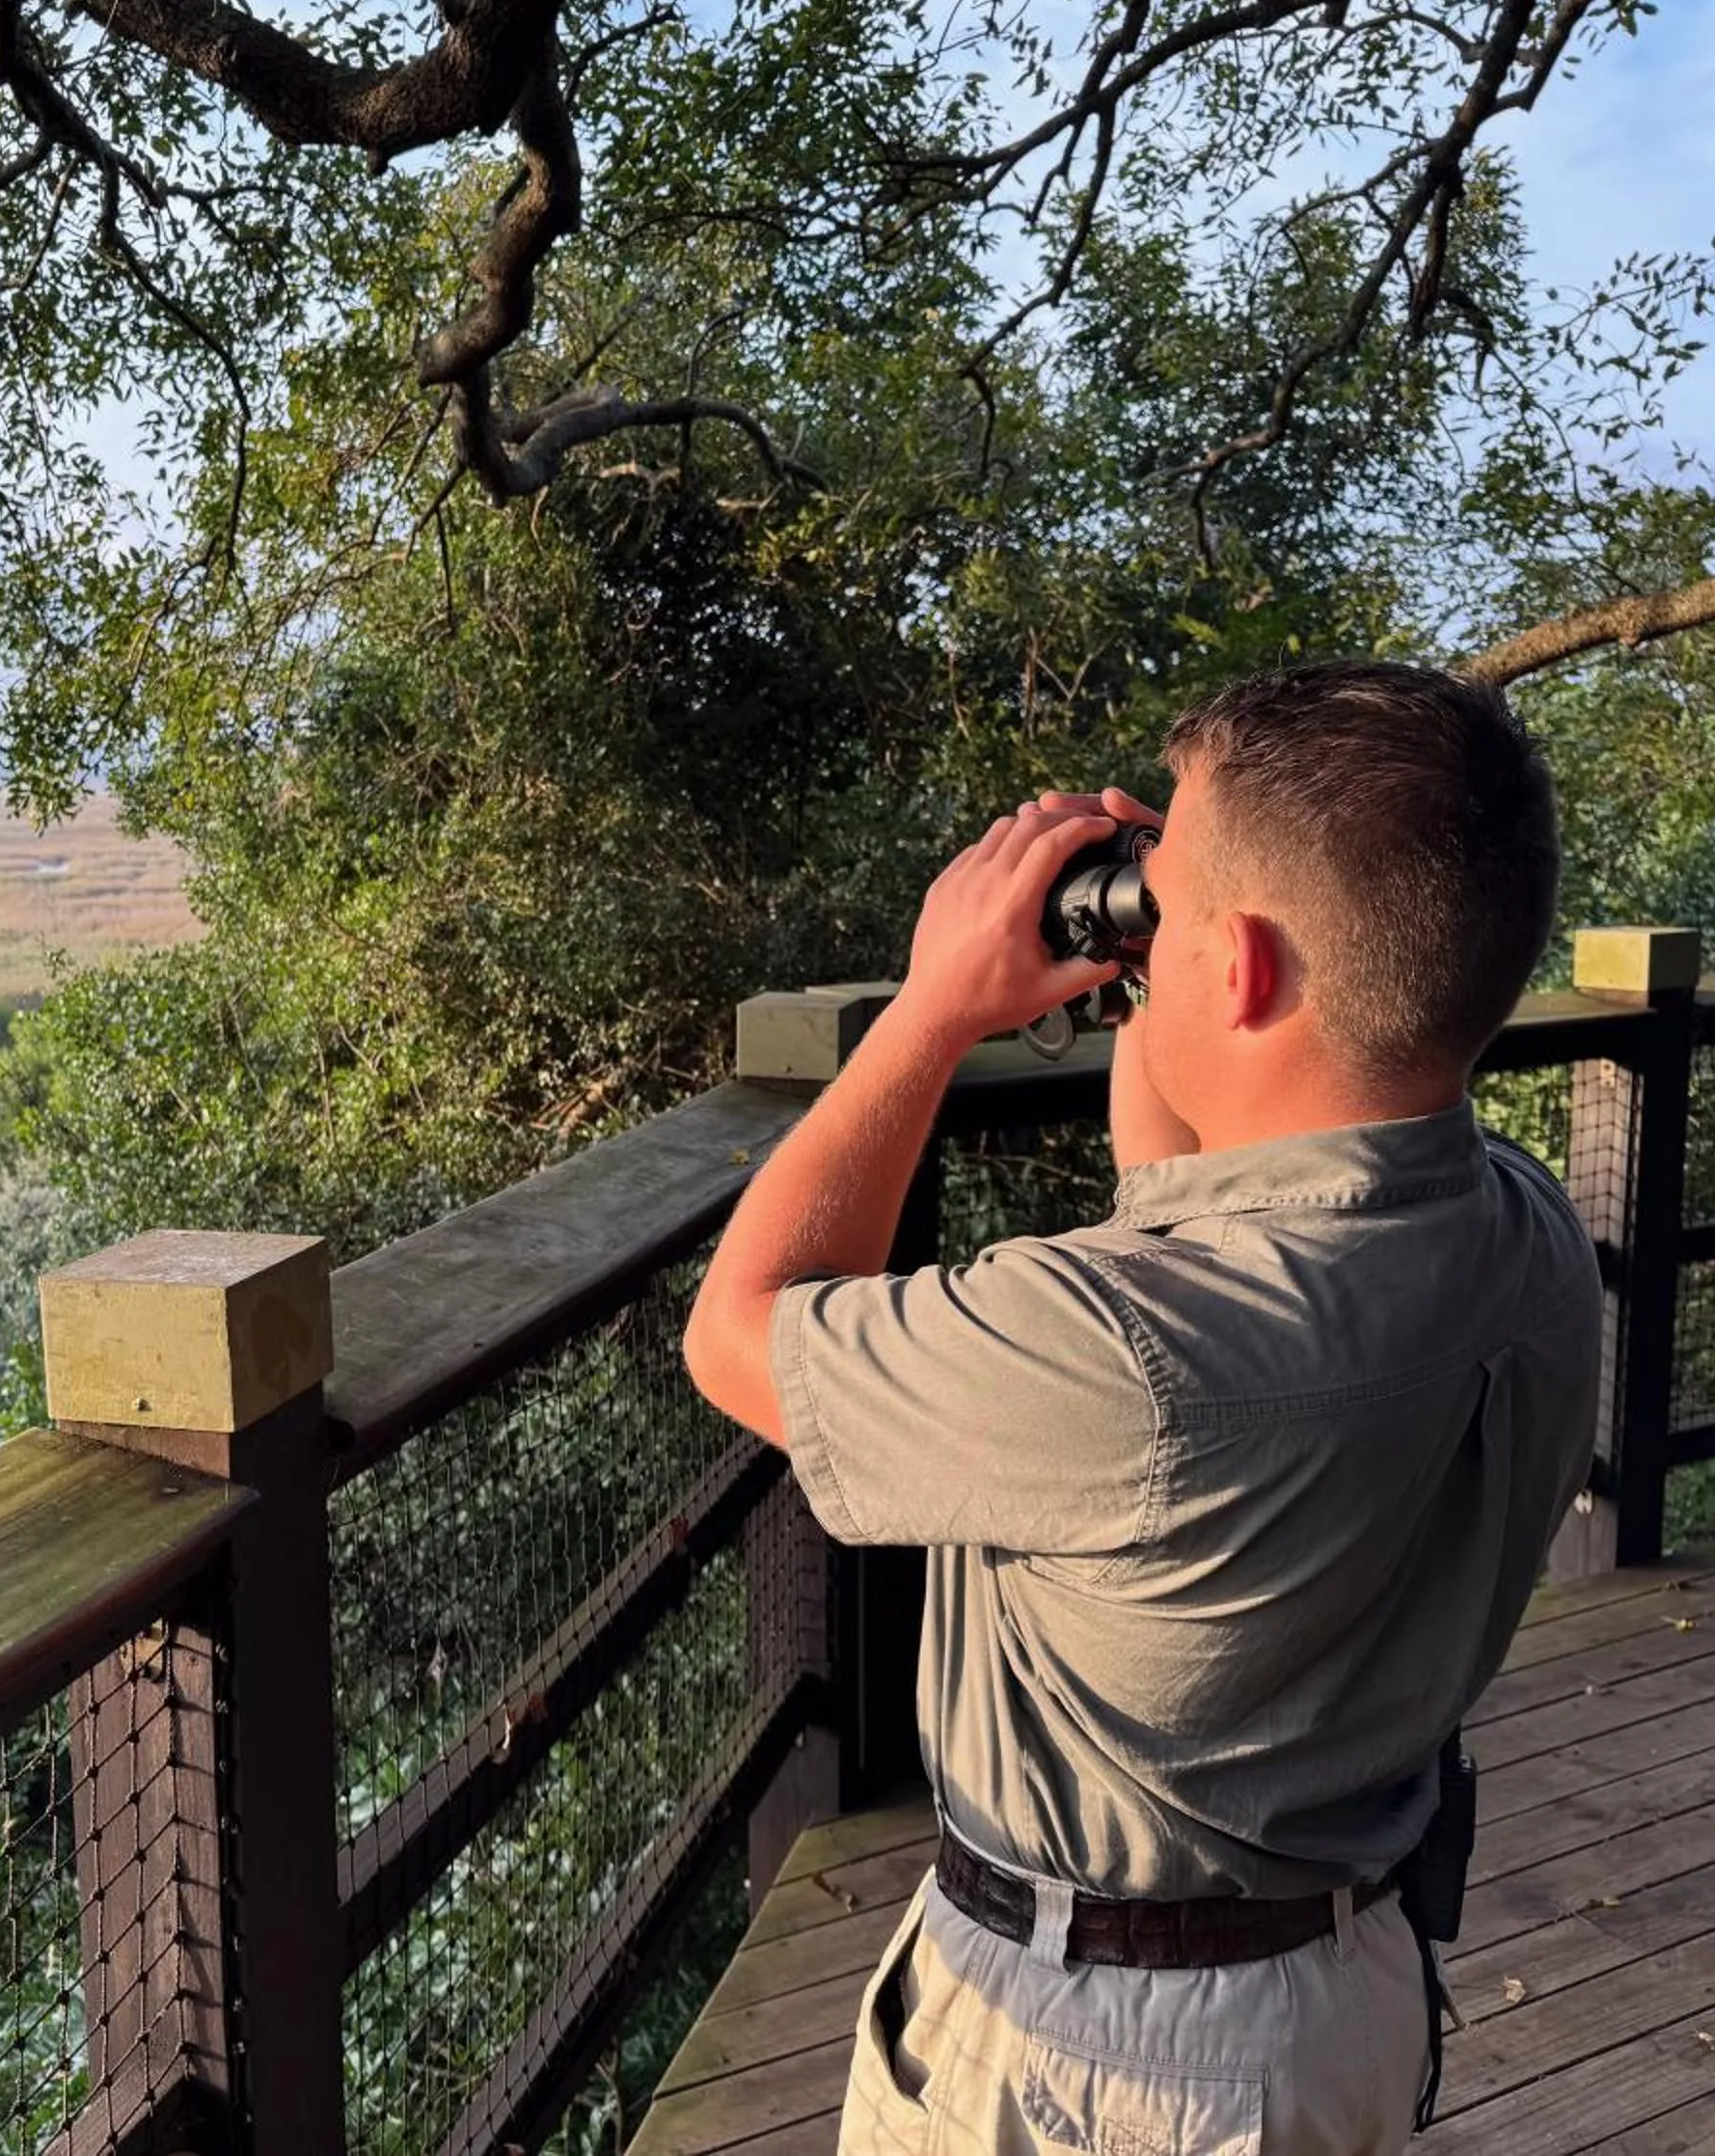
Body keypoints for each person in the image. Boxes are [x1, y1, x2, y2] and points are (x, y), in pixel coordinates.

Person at [682, 660, 1602, 2155]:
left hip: (1093, 2069)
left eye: (1161, 909)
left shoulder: (1124, 1355)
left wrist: (930, 1009)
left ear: (1240, 971)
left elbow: (737, 1332)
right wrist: (1160, 966)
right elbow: (1185, 1192)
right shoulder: (1526, 1234)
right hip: (1344, 1999)